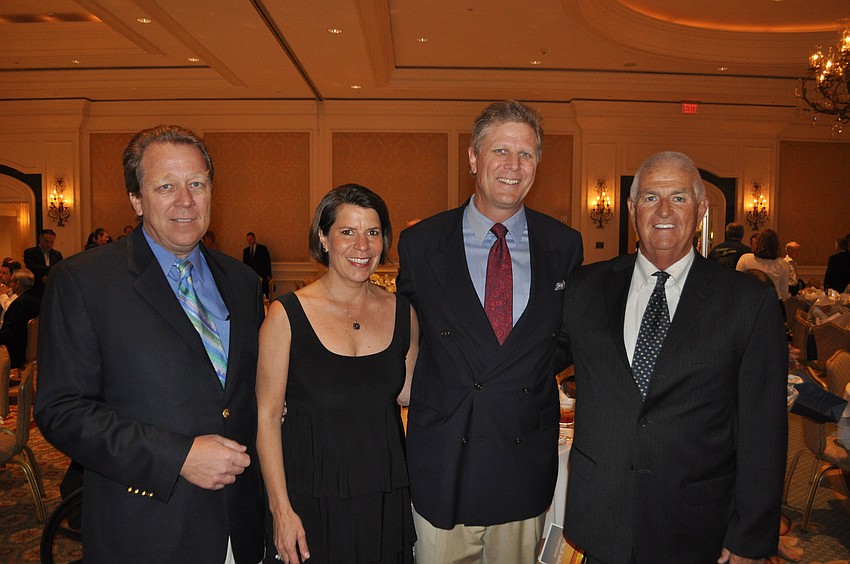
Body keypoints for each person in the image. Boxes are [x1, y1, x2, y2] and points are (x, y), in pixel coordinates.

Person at [34, 125, 266, 563]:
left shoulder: (241, 281)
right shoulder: (84, 281)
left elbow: (241, 392)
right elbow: (61, 410)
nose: (186, 200)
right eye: (165, 186)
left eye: (197, 184)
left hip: (240, 524)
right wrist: (178, 457)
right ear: (136, 200)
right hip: (147, 528)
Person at [558, 151, 787, 563]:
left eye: (679, 198)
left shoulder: (748, 302)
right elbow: (532, 358)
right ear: (632, 209)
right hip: (602, 518)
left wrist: (751, 533)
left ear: (701, 209)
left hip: (697, 524)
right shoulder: (585, 288)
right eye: (650, 197)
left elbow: (764, 428)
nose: (663, 210)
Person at [396, 100, 583, 563]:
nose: (513, 166)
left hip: (521, 454)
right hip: (444, 456)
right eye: (500, 151)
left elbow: (565, 336)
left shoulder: (563, 244)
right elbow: (403, 333)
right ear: (473, 158)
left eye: (526, 154)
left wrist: (521, 373)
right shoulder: (422, 243)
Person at [257, 184, 418, 563]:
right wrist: (281, 511)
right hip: (309, 498)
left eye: (372, 232)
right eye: (348, 231)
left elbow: (411, 396)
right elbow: (266, 418)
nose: (362, 245)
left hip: (382, 496)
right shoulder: (286, 315)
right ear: (323, 238)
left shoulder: (403, 312)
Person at [736, 229, 790, 302]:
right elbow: (784, 293)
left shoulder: (745, 258)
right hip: (773, 301)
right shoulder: (782, 263)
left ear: (758, 243)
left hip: (749, 299)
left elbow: (737, 282)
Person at [0, 268, 38, 369]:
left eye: (11, 282)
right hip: (31, 347)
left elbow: (10, 332)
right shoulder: (35, 299)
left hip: (16, 351)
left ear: (17, 284)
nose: (10, 285)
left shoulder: (19, 304)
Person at [23, 228, 63, 295]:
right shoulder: (30, 252)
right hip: (36, 287)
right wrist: (51, 268)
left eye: (51, 242)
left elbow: (60, 269)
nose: (49, 245)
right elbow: (32, 267)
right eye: (46, 241)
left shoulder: (57, 254)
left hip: (52, 287)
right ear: (40, 239)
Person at [243, 232, 273, 298]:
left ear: (254, 238)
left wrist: (268, 274)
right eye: (248, 240)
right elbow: (245, 264)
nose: (249, 241)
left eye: (251, 239)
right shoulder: (246, 251)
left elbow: (267, 262)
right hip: (251, 276)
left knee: (264, 294)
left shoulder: (262, 248)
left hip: (262, 275)